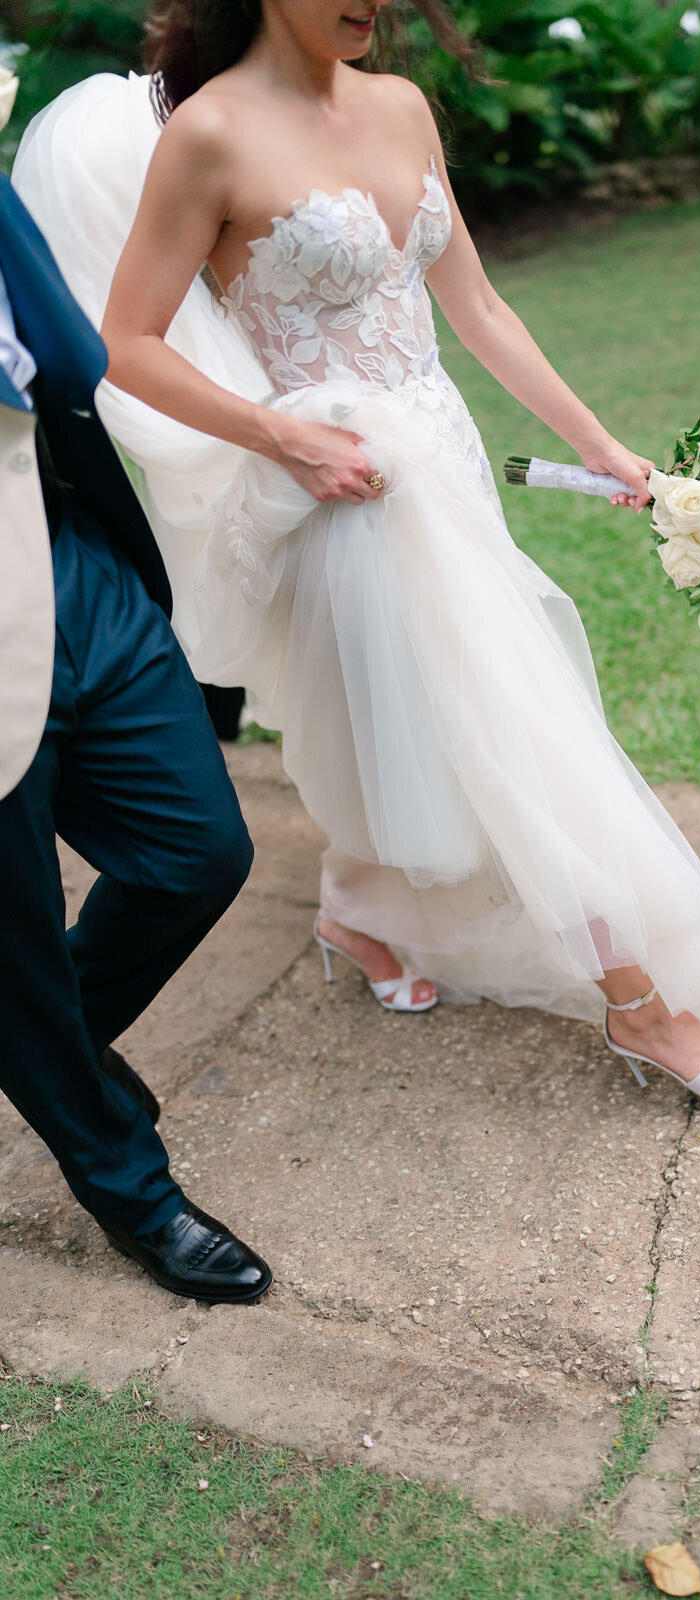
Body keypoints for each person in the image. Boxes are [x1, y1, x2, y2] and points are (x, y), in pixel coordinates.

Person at [14, 0, 700, 1099]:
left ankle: (357, 913)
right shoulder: (210, 133)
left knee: (403, 722)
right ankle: (641, 1004)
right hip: (346, 489)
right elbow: (121, 344)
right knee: (518, 718)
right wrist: (283, 435)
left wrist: (609, 451)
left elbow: (477, 308)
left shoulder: (402, 105)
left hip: (446, 461)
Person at [0, 73, 272, 1302]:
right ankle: (130, 1185)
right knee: (8, 936)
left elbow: (63, 354)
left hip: (66, 555)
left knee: (197, 849)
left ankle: (41, 1041)